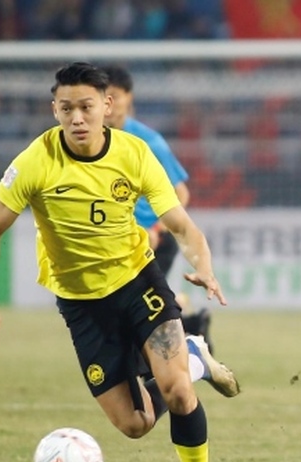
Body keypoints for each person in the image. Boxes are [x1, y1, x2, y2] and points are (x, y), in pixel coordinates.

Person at [0, 62, 238, 462]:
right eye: (67, 108)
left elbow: (180, 224)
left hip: (138, 283)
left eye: (86, 107)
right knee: (135, 425)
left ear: (106, 106)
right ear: (54, 110)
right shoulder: (35, 161)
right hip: (81, 304)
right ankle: (194, 357)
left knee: (175, 393)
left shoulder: (134, 153)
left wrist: (205, 268)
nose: (77, 118)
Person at [101, 65, 216, 353]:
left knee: (139, 309)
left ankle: (164, 367)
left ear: (129, 97)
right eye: (104, 98)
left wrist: (155, 229)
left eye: (115, 97)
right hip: (118, 239)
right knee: (141, 305)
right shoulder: (92, 142)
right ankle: (191, 324)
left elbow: (181, 193)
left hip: (154, 239)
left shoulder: (149, 142)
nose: (110, 106)